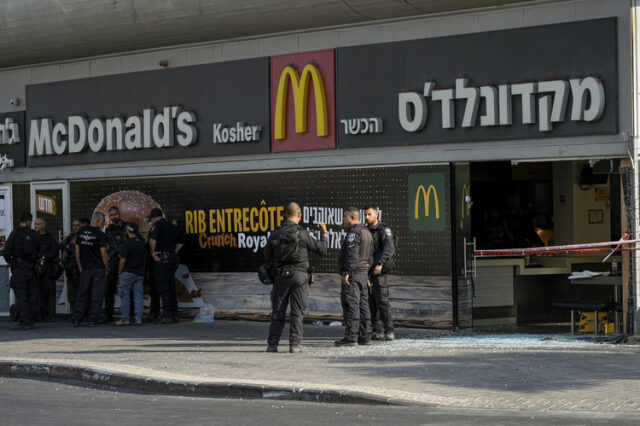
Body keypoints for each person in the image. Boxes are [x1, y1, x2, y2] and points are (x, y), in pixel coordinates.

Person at [264, 202, 328, 353]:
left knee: (277, 311)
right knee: (297, 311)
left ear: (285, 215)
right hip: (300, 276)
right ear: (299, 215)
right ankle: (295, 345)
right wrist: (324, 233)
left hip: (280, 276)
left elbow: (267, 255)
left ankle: (272, 344)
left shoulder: (275, 233)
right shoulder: (304, 233)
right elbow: (322, 250)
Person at [335, 207, 374, 347]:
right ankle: (365, 336)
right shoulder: (367, 231)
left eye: (345, 217)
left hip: (354, 274)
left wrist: (347, 273)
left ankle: (351, 337)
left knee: (352, 304)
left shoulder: (354, 233)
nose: (343, 220)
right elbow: (370, 256)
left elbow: (352, 255)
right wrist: (366, 267)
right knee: (363, 305)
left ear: (352, 218)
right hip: (363, 274)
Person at [3, 212, 41, 330]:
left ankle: (24, 321)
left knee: (22, 296)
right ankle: (31, 321)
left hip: (19, 269)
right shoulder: (34, 234)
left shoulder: (14, 234)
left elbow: (6, 252)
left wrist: (11, 261)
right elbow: (39, 251)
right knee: (31, 295)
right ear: (29, 221)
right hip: (31, 269)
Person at [364, 205, 396, 341]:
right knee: (371, 301)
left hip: (379, 270)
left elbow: (389, 248)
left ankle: (389, 330)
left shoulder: (384, 229)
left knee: (382, 301)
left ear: (376, 214)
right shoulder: (365, 230)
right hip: (368, 270)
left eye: (369, 214)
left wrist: (380, 264)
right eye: (365, 215)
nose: (367, 217)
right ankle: (377, 331)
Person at [73, 211, 109, 327]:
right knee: (96, 295)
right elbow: (103, 253)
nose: (104, 224)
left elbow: (77, 251)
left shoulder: (81, 232)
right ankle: (93, 319)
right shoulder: (100, 234)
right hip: (98, 268)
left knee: (82, 294)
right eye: (103, 222)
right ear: (98, 221)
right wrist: (107, 268)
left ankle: (77, 318)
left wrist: (79, 266)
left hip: (86, 269)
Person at [148, 208, 183, 324]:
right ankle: (175, 315)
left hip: (162, 260)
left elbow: (152, 240)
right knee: (171, 287)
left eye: (151, 220)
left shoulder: (157, 226)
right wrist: (172, 252)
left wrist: (153, 253)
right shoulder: (172, 226)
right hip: (173, 259)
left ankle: (167, 315)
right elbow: (181, 242)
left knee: (163, 288)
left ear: (153, 218)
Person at [116, 223, 146, 326]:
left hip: (128, 272)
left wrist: (119, 272)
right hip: (140, 273)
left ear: (128, 231)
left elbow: (122, 260)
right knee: (138, 296)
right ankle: (139, 318)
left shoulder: (127, 243)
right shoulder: (142, 243)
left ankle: (125, 318)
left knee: (125, 296)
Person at [34, 217, 59, 322]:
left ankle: (46, 315)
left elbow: (55, 251)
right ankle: (36, 315)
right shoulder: (32, 237)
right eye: (35, 224)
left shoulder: (50, 238)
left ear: (43, 225)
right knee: (35, 291)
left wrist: (45, 257)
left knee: (45, 291)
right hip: (34, 267)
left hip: (47, 268)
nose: (35, 226)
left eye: (38, 224)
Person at [104, 206, 126, 322]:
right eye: (111, 215)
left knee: (128, 288)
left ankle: (130, 313)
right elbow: (107, 245)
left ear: (119, 214)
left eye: (115, 214)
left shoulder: (127, 227)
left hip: (126, 260)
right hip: (113, 260)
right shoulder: (108, 230)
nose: (114, 217)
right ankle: (108, 313)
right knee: (109, 288)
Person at [60, 219, 82, 318]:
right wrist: (65, 249)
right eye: (74, 225)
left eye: (77, 225)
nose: (75, 227)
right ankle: (74, 313)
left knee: (80, 292)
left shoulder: (84, 237)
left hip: (80, 268)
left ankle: (80, 313)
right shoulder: (71, 236)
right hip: (71, 268)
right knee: (72, 292)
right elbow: (61, 245)